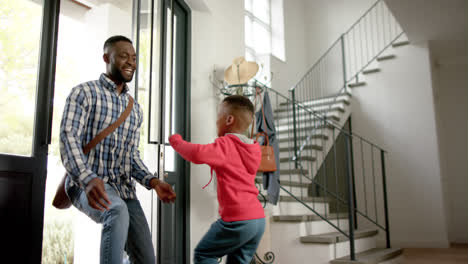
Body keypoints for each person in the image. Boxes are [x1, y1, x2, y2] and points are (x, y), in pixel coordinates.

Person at [59, 35, 176, 264]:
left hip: (125, 190)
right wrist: (87, 178)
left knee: (146, 259)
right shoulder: (84, 93)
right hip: (86, 184)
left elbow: (131, 156)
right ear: (106, 58)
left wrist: (153, 182)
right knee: (116, 211)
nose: (130, 62)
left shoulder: (135, 110)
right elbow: (68, 138)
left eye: (133, 58)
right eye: (123, 56)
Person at [169, 95, 265, 264]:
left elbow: (197, 153)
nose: (216, 122)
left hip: (238, 220)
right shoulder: (253, 148)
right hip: (257, 220)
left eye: (218, 117)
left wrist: (176, 142)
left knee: (204, 254)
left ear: (229, 119)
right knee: (238, 261)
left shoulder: (226, 144)